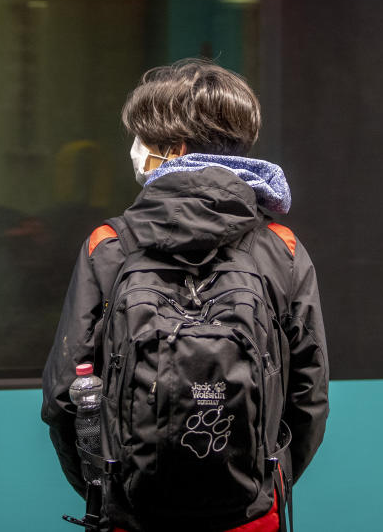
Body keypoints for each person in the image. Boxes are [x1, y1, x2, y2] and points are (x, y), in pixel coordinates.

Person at [41, 58, 329, 532]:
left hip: (133, 518)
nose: (134, 151)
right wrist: (260, 487)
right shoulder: (282, 249)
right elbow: (308, 396)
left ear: (172, 150)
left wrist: (109, 491)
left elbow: (64, 396)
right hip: (250, 517)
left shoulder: (109, 245)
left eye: (141, 139)